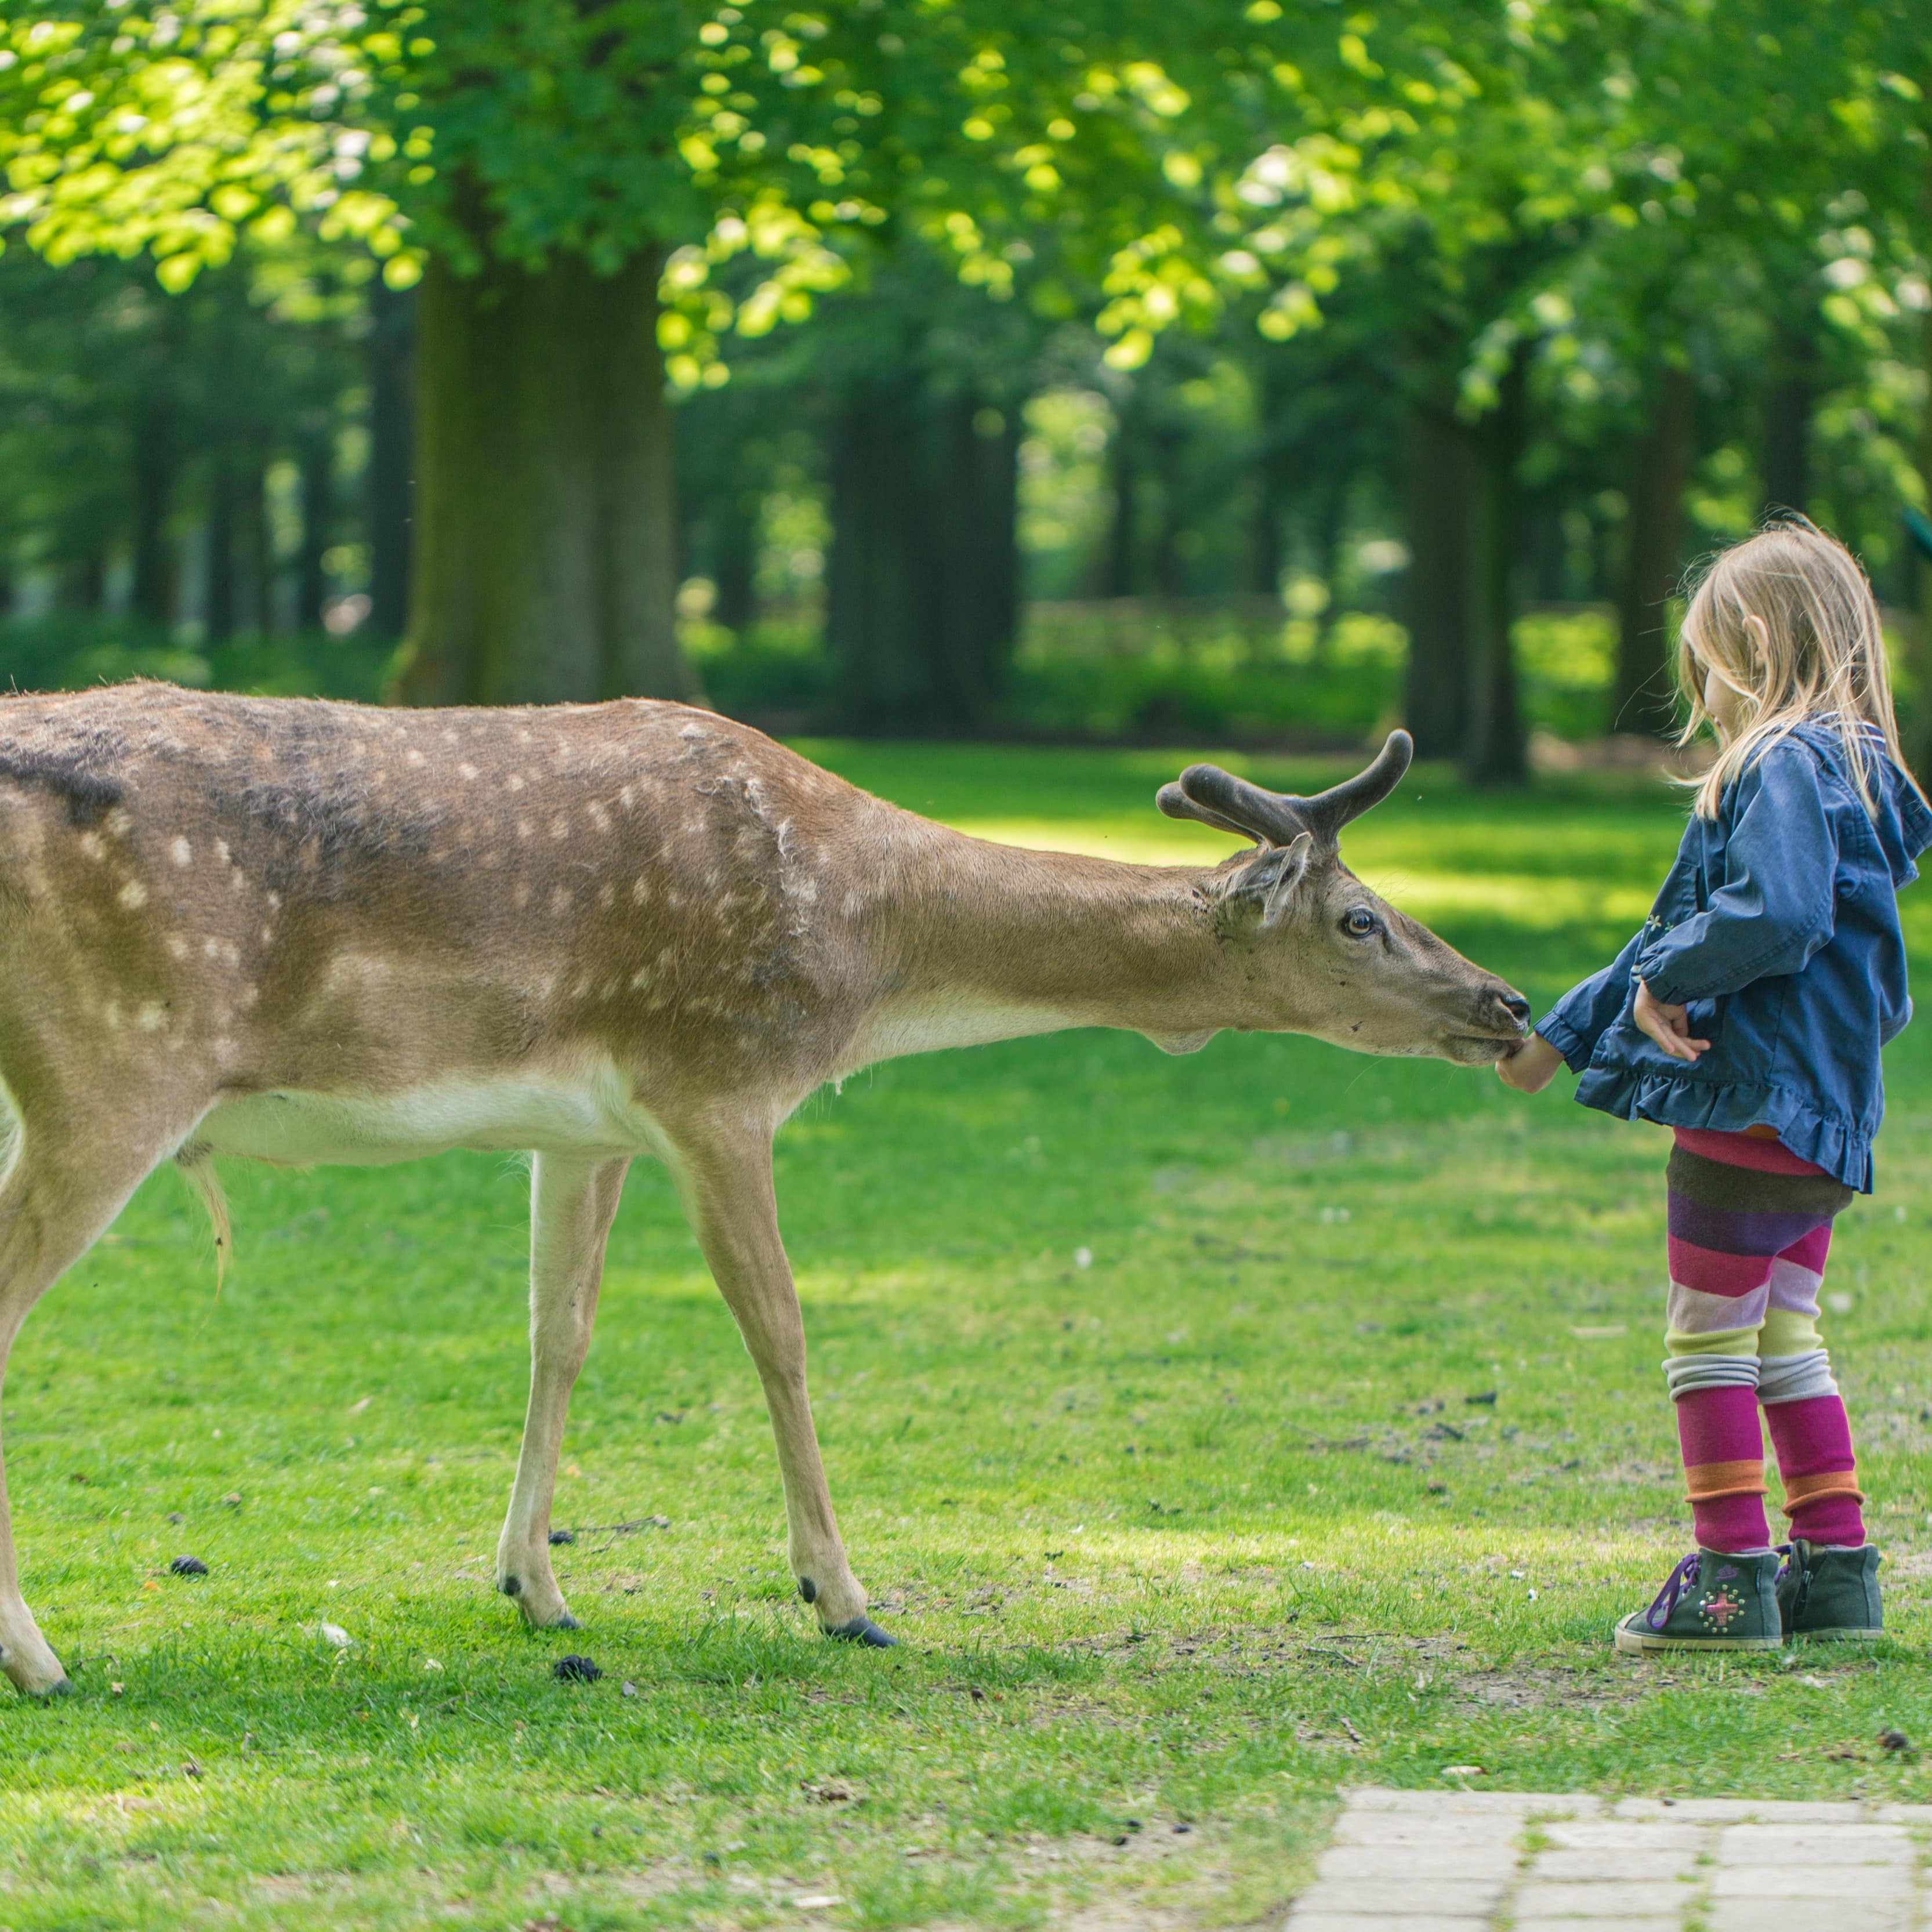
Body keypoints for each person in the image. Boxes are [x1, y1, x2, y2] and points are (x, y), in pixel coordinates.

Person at [1498, 519, 1932, 1652]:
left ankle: (1731, 1575)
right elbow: (1878, 992)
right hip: (1820, 1128)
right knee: (1788, 1339)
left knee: (1705, 1343)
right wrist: (1557, 1035)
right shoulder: (1859, 778)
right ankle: (1836, 1574)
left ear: (1746, 641)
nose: (1707, 703)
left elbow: (1751, 922)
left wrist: (1677, 980)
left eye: (1707, 673)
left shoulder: (1776, 767)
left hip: (1748, 1110)